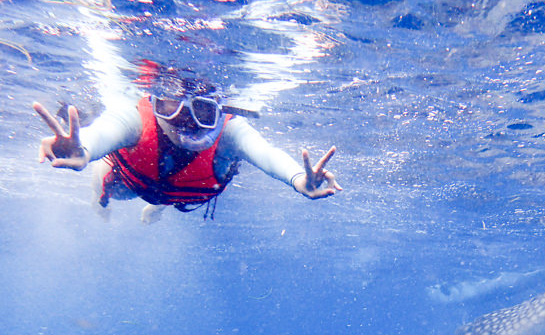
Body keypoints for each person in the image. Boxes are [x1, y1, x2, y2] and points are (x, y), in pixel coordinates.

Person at [33, 84, 341, 223]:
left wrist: (298, 178)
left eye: (203, 110)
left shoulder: (231, 132)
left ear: (220, 110)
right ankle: (103, 201)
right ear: (155, 101)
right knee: (105, 191)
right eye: (170, 105)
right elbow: (103, 132)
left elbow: (266, 153)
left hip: (184, 194)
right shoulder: (136, 120)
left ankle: (160, 207)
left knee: (171, 197)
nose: (186, 120)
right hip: (130, 184)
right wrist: (82, 148)